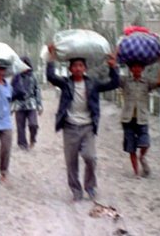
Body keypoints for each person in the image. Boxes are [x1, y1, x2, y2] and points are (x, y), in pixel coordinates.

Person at [46, 44, 119, 201]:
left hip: (87, 127)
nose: (78, 69)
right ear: (70, 69)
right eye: (75, 66)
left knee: (90, 157)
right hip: (70, 127)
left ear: (85, 68)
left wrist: (114, 67)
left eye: (80, 66)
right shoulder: (66, 83)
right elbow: (51, 77)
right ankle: (76, 190)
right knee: (71, 162)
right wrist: (51, 56)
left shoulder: (93, 83)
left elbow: (113, 83)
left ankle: (90, 186)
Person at [119, 52, 160, 178]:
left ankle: (142, 157)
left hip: (142, 118)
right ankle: (136, 172)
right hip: (127, 119)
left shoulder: (146, 83)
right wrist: (113, 61)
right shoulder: (125, 82)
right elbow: (113, 77)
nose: (136, 69)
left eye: (139, 67)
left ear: (142, 69)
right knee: (131, 147)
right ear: (130, 69)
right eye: (134, 67)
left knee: (145, 143)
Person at [11, 56, 43, 150]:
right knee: (20, 126)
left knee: (33, 124)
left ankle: (33, 139)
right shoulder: (16, 77)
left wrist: (39, 105)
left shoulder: (33, 76)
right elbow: (11, 91)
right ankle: (22, 144)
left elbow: (37, 90)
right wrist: (10, 106)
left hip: (31, 104)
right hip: (19, 104)